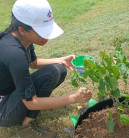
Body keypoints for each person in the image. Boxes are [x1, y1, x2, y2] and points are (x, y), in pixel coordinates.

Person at [0, 0, 92, 137]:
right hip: (3, 109)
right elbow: (32, 103)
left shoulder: (22, 38)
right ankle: (24, 130)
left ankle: (28, 120)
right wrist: (74, 98)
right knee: (35, 98)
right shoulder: (14, 53)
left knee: (57, 70)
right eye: (42, 32)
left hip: (13, 91)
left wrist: (60, 60)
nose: (47, 37)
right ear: (22, 30)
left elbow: (34, 63)